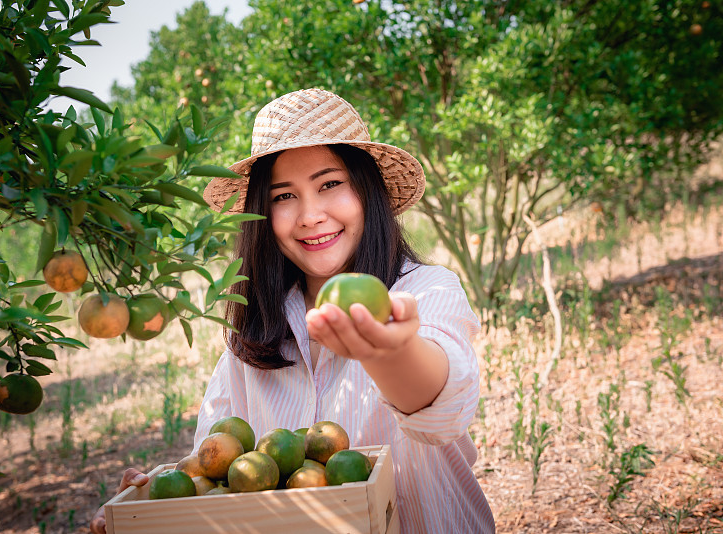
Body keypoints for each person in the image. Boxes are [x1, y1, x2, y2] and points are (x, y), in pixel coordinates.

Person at [90, 88, 495, 534]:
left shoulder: (423, 290)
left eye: (330, 184)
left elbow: (440, 409)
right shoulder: (254, 331)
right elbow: (220, 463)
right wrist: (155, 498)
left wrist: (389, 351)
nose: (309, 215)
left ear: (367, 191)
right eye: (284, 196)